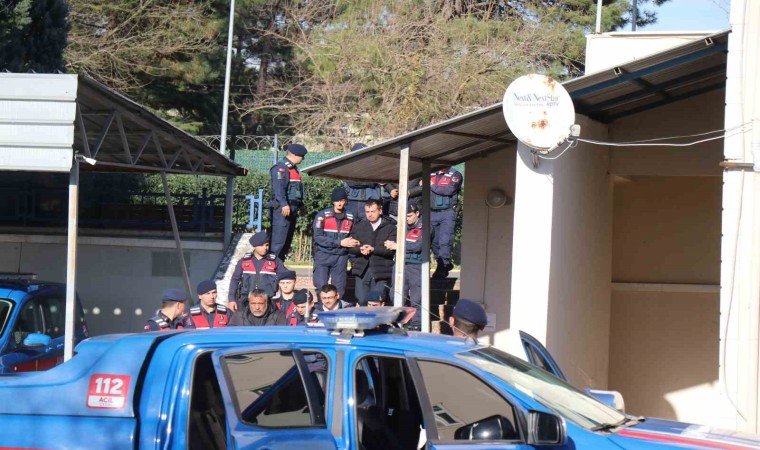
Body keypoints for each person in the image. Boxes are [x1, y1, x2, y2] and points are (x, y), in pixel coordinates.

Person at [348, 199, 397, 305]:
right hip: (362, 269)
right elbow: (351, 247)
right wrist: (360, 249)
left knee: (376, 301)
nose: (370, 214)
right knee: (362, 300)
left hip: (381, 270)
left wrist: (373, 249)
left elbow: (391, 251)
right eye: (367, 212)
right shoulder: (359, 226)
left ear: (380, 211)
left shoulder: (390, 228)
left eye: (373, 211)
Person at [384, 200, 424, 329]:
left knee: (417, 297)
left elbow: (418, 246)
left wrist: (398, 246)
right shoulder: (402, 226)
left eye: (410, 216)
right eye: (405, 216)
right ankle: (399, 320)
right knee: (395, 294)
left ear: (417, 213)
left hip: (416, 265)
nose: (407, 219)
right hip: (400, 263)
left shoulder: (425, 227)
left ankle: (417, 324)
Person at [312, 187, 359, 297]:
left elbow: (354, 236)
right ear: (333, 201)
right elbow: (318, 237)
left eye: (342, 200)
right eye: (337, 200)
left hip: (341, 257)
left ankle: (337, 308)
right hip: (323, 255)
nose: (340, 203)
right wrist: (339, 243)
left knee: (339, 290)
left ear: (345, 201)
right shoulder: (322, 216)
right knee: (321, 288)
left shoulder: (351, 217)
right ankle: (322, 307)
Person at [227, 232, 289, 312]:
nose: (265, 248)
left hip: (269, 302)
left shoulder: (275, 261)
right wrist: (231, 299)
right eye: (261, 245)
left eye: (267, 245)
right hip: (246, 302)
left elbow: (287, 278)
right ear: (255, 246)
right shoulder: (244, 261)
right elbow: (235, 280)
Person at [269, 143, 308, 259]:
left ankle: (280, 265)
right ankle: (271, 266)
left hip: (292, 208)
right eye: (302, 156)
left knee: (287, 240)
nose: (303, 159)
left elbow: (296, 191)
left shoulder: (293, 169)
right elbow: (279, 189)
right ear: (294, 155)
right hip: (283, 209)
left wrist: (301, 206)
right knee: (278, 241)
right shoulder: (281, 168)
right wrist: (284, 204)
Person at [429, 167, 463, 279]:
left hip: (447, 212)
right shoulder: (430, 173)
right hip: (432, 212)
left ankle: (442, 267)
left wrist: (432, 186)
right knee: (433, 241)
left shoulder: (455, 174)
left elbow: (449, 190)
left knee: (445, 241)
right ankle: (443, 264)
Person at [343, 143, 383, 221]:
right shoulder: (348, 166)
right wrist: (370, 182)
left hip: (370, 202)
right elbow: (351, 182)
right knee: (351, 224)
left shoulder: (373, 165)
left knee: (369, 225)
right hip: (352, 202)